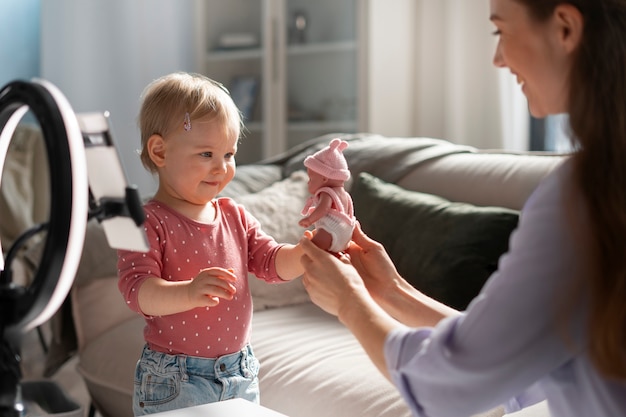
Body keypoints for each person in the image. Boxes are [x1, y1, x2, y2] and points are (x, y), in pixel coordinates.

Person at [298, 1, 626, 416]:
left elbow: (450, 384)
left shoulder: (586, 196)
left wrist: (349, 301)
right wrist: (391, 291)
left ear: (564, 28)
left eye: (500, 31)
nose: (498, 58)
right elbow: (510, 351)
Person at [117, 72, 304, 416]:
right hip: (176, 380)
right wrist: (188, 292)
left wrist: (304, 255)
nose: (222, 168)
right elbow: (137, 291)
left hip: (240, 372)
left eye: (229, 154)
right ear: (159, 151)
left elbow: (271, 261)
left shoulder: (234, 214)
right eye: (206, 154)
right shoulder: (146, 221)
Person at [299, 138, 355, 253]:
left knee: (312, 249)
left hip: (331, 231)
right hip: (346, 233)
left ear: (324, 178)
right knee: (328, 255)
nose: (308, 182)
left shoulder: (326, 192)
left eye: (311, 179)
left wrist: (310, 220)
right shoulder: (344, 195)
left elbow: (323, 208)